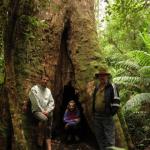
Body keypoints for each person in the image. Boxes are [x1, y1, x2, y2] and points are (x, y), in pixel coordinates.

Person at [92, 67, 120, 150]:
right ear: (98, 77)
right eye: (100, 75)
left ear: (107, 76)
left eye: (104, 75)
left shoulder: (112, 86)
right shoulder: (97, 87)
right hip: (97, 116)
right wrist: (93, 111)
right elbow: (94, 100)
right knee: (100, 136)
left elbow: (116, 101)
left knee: (109, 137)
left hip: (107, 116)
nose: (102, 77)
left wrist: (111, 113)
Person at [29, 74, 55, 150]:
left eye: (47, 80)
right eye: (44, 79)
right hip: (37, 111)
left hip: (46, 112)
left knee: (49, 127)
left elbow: (52, 102)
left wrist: (47, 110)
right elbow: (35, 102)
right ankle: (40, 138)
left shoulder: (48, 91)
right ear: (40, 80)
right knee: (45, 119)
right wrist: (42, 111)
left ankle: (48, 147)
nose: (45, 81)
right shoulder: (34, 89)